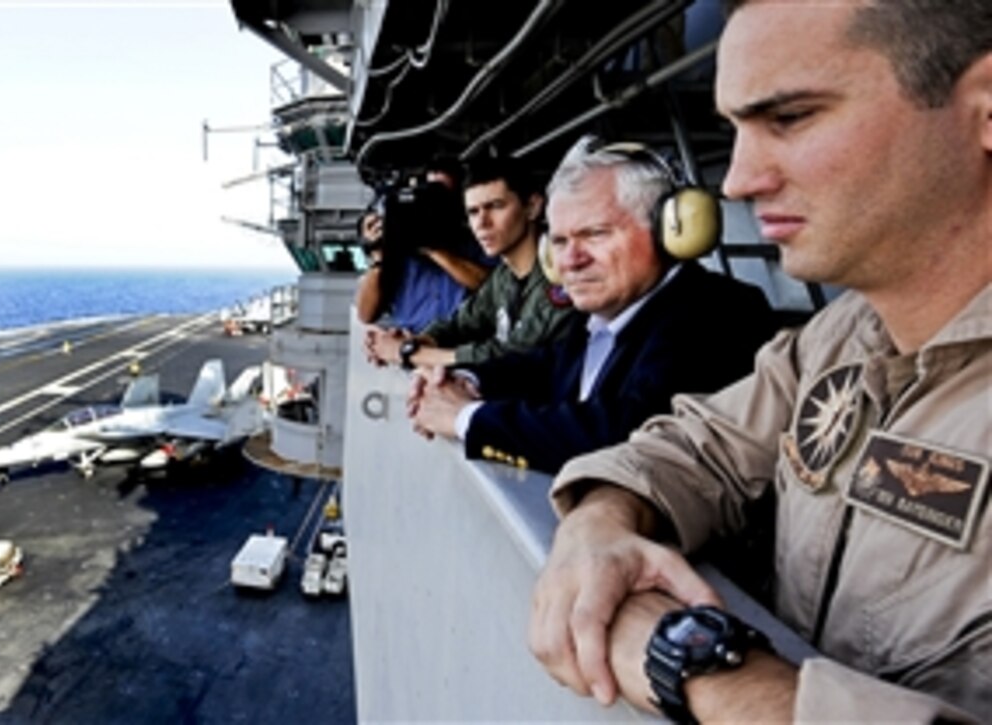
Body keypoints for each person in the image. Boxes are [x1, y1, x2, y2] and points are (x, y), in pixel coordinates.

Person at [528, 1, 991, 722]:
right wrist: (600, 523)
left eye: (792, 117)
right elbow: (698, 445)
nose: (737, 181)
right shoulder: (842, 336)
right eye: (734, 131)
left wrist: (700, 667)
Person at [407, 137, 776, 474]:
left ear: (669, 231)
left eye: (595, 234)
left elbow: (626, 432)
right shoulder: (606, 316)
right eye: (561, 241)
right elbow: (543, 366)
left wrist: (466, 419)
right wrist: (466, 380)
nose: (570, 261)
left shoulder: (718, 312)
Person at [367, 156, 576, 368]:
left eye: (495, 206)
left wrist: (409, 354)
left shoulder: (560, 273)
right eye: (473, 212)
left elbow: (512, 355)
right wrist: (416, 341)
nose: (482, 223)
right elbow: (459, 324)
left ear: (532, 207)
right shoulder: (504, 277)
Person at [354, 156, 492, 332]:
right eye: (425, 192)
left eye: (439, 195)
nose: (430, 202)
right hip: (416, 346)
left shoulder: (475, 236)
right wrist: (378, 253)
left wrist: (432, 248)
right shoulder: (397, 246)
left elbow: (491, 285)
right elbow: (366, 314)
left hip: (465, 341)